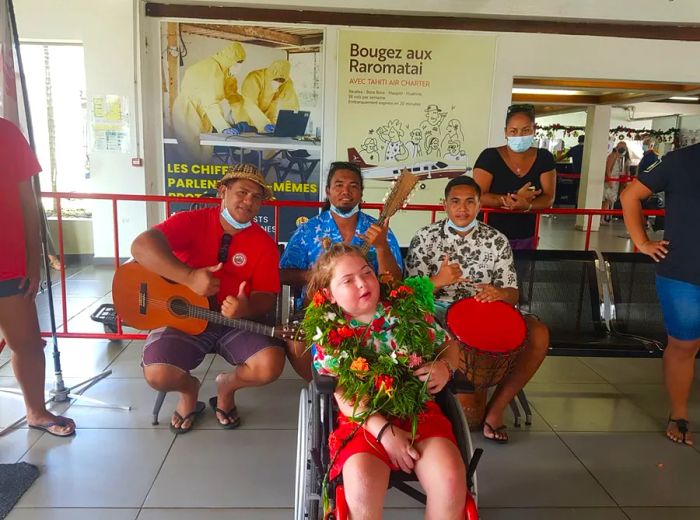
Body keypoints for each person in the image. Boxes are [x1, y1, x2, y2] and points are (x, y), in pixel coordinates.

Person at [306, 243, 466, 519]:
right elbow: (344, 396)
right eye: (348, 280)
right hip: (364, 419)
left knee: (451, 478)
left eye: (366, 272)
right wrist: (383, 431)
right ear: (329, 295)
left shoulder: (408, 311)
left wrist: (445, 366)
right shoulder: (329, 332)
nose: (362, 283)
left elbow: (449, 345)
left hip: (419, 411)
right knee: (361, 483)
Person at [131, 163, 285, 433]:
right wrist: (188, 277)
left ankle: (227, 386)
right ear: (222, 191)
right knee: (157, 374)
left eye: (256, 197)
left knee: (269, 365)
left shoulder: (264, 244)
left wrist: (245, 307)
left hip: (232, 322)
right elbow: (141, 246)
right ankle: (189, 391)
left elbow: (266, 296)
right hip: (184, 315)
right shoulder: (192, 221)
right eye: (242, 192)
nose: (248, 201)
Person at [405, 176, 550, 443]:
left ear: (479, 204)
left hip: (485, 313)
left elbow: (512, 293)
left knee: (539, 333)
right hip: (437, 312)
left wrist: (500, 294)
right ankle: (418, 411)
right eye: (455, 202)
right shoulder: (425, 238)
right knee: (408, 327)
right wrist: (439, 281)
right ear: (444, 205)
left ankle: (496, 411)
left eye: (470, 201)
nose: (462, 208)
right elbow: (409, 296)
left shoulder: (496, 239)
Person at [279, 161, 404, 380]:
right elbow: (283, 274)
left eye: (353, 186)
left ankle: (368, 385)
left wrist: (382, 246)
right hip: (317, 307)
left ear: (361, 193)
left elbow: (395, 282)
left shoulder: (377, 229)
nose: (346, 191)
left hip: (367, 308)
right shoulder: (308, 230)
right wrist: (312, 277)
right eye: (338, 185)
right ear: (328, 191)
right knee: (297, 342)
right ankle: (326, 387)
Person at [621, 143, 700, 446]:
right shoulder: (680, 160)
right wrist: (641, 242)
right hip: (684, 274)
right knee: (684, 345)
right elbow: (630, 196)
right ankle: (679, 415)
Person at [0, 118, 75, 437]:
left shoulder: (7, 134)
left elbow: (29, 202)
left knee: (27, 343)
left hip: (8, 262)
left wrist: (34, 259)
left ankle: (36, 411)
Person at [473, 104, 556, 250]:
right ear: (505, 132)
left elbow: (549, 197)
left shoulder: (544, 158)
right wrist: (514, 199)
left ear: (534, 130)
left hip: (526, 235)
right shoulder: (489, 157)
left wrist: (527, 205)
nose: (519, 136)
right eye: (513, 131)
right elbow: (478, 195)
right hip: (489, 236)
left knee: (523, 271)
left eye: (526, 130)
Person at [171, 42, 246, 162]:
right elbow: (210, 103)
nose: (239, 67)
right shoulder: (211, 69)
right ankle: (192, 178)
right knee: (191, 152)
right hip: (187, 110)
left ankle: (204, 178)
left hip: (203, 112)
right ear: (229, 60)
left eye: (241, 63)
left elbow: (233, 96)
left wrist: (244, 117)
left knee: (206, 150)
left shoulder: (225, 72)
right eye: (238, 63)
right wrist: (224, 127)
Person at [241, 60, 299, 129]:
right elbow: (249, 104)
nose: (278, 82)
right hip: (243, 117)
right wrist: (263, 123)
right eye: (275, 79)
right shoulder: (254, 78)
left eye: (281, 80)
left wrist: (291, 124)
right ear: (269, 75)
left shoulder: (286, 82)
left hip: (265, 120)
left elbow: (290, 104)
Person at [602, 140, 631, 223]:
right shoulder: (613, 156)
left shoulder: (620, 158)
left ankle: (605, 217)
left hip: (616, 180)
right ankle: (602, 218)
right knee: (606, 199)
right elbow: (608, 169)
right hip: (611, 180)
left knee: (610, 200)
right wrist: (610, 179)